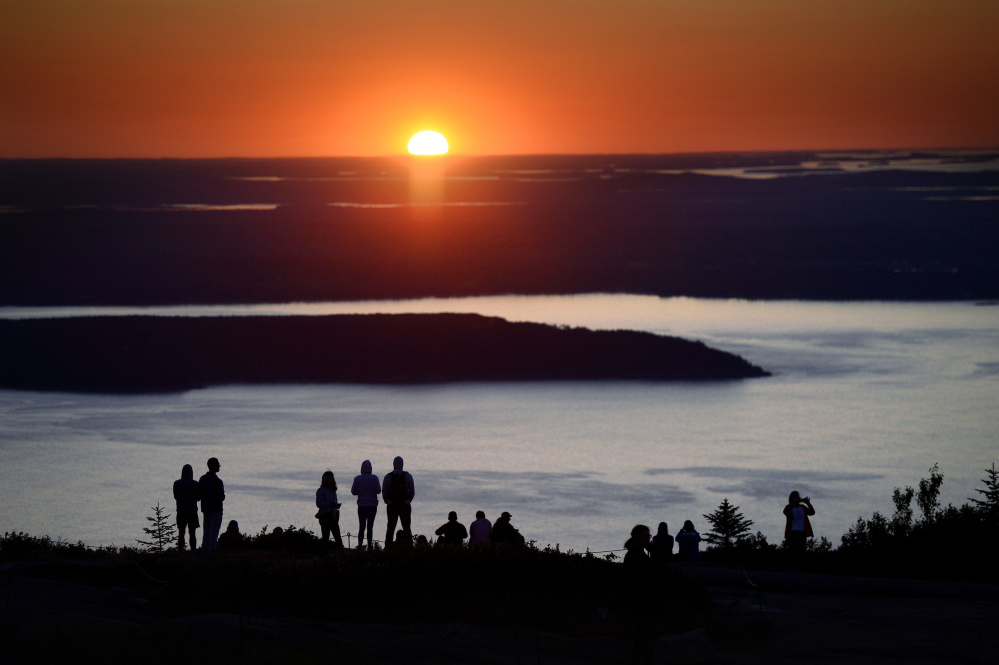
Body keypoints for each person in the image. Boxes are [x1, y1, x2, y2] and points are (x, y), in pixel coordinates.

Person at [623, 524, 657, 665]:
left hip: (642, 599)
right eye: (645, 536)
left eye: (649, 536)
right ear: (637, 537)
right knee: (642, 633)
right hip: (639, 600)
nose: (648, 539)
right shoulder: (634, 555)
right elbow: (654, 569)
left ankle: (639, 658)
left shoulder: (639, 553)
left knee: (643, 634)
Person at [382, 456, 415, 547]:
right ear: (402, 464)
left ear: (393, 464)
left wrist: (387, 501)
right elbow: (412, 491)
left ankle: (388, 547)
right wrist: (408, 500)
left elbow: (384, 492)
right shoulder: (408, 476)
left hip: (392, 505)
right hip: (405, 505)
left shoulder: (388, 476)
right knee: (407, 528)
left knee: (390, 528)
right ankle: (409, 547)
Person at [351, 459, 381, 550]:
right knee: (370, 527)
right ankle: (370, 545)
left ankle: (360, 544)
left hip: (362, 505)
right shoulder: (375, 478)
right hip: (372, 505)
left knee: (362, 526)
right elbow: (379, 491)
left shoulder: (357, 479)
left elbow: (353, 491)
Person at [198, 457, 225, 555]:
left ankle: (204, 550)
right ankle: (211, 551)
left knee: (206, 532)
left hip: (206, 509)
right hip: (216, 510)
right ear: (214, 466)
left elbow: (199, 495)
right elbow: (221, 497)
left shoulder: (202, 479)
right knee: (214, 532)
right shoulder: (218, 481)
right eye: (218, 464)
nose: (219, 466)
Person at [173, 463, 201, 551]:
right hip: (192, 511)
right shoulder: (196, 484)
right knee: (192, 533)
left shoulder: (177, 483)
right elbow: (198, 498)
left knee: (181, 532)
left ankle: (180, 551)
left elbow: (176, 497)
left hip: (181, 511)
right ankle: (193, 551)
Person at [316, 470, 344, 550]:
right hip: (325, 516)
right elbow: (319, 504)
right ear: (323, 479)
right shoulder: (321, 490)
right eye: (326, 478)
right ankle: (324, 555)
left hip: (333, 515)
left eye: (329, 478)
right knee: (325, 537)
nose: (328, 479)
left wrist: (335, 506)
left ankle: (340, 553)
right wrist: (330, 504)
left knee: (337, 536)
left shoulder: (333, 491)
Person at [783, 491, 816, 556]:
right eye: (794, 497)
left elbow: (812, 512)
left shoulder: (803, 507)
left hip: (802, 532)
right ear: (791, 498)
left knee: (802, 552)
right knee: (793, 551)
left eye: (797, 496)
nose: (796, 498)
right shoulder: (789, 507)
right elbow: (785, 511)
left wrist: (808, 503)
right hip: (792, 532)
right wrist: (792, 504)